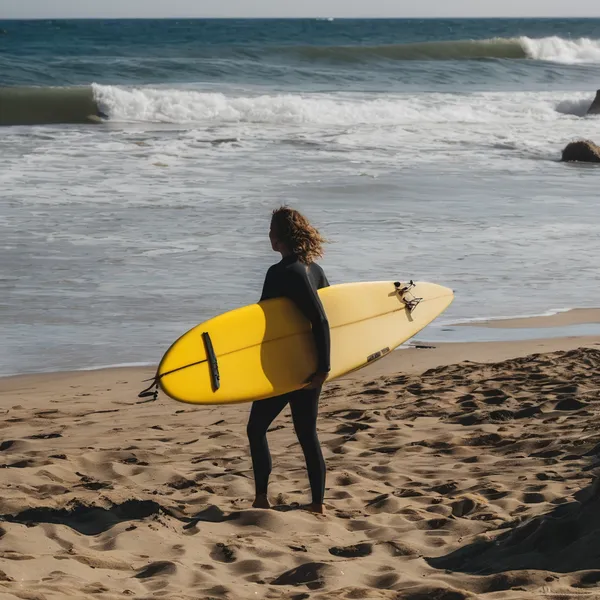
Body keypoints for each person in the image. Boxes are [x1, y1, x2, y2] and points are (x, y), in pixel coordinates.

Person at [247, 207, 331, 514]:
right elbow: (331, 317)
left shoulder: (281, 272)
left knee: (256, 428)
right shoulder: (315, 270)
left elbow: (314, 319)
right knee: (307, 433)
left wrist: (324, 369)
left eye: (271, 230)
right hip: (310, 363)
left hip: (286, 367)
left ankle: (261, 498)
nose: (268, 235)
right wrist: (322, 366)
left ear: (279, 236)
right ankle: (318, 504)